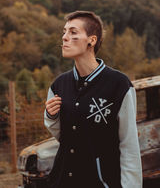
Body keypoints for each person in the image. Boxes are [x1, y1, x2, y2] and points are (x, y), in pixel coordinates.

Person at [44, 11, 142, 188]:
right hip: (62, 181)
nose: (65, 37)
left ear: (92, 40)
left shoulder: (119, 84)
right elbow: (62, 136)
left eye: (73, 32)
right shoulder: (58, 85)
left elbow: (129, 145)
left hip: (100, 182)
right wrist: (51, 117)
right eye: (64, 32)